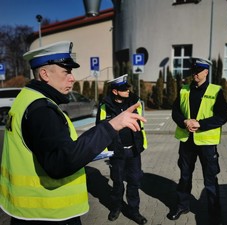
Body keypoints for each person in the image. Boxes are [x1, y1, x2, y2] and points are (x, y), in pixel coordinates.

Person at [0, 41, 146, 225]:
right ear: (45, 74)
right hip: (49, 213)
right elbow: (61, 162)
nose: (72, 78)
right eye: (66, 71)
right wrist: (111, 126)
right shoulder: (42, 109)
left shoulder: (27, 98)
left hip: (31, 211)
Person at [168, 57, 227, 225]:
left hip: (207, 144)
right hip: (187, 141)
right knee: (185, 177)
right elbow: (175, 112)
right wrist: (184, 122)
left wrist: (200, 124)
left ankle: (214, 214)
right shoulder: (184, 90)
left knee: (210, 180)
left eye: (198, 71)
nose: (194, 74)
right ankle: (182, 205)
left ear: (206, 72)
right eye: (193, 71)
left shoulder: (216, 91)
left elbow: (222, 116)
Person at [95, 74, 148, 225]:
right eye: (123, 89)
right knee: (117, 183)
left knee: (134, 182)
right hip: (117, 152)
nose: (127, 90)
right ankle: (116, 208)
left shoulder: (133, 102)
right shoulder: (105, 106)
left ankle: (134, 211)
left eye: (128, 87)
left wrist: (140, 144)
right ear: (115, 91)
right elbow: (100, 128)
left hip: (133, 150)